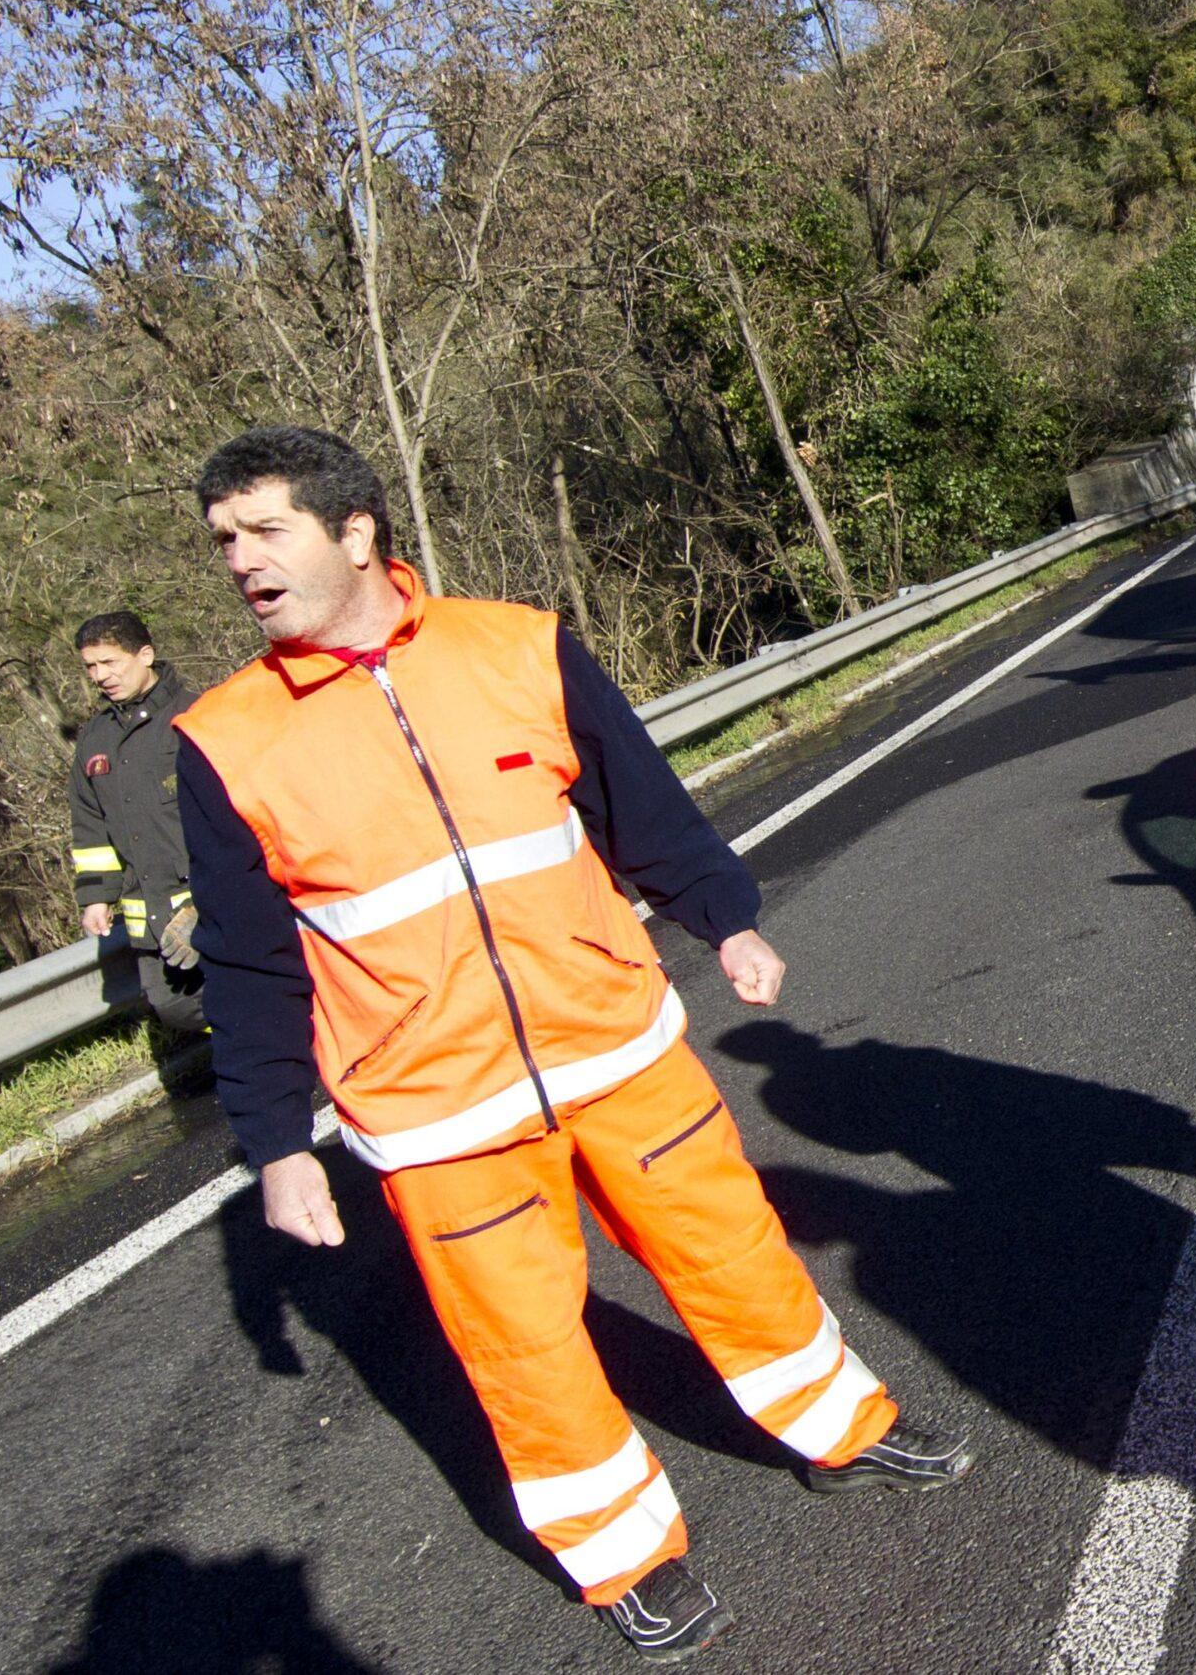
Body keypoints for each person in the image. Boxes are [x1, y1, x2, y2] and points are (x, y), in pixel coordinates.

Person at [173, 426, 972, 1664]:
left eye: (264, 529)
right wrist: (277, 1142)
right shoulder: (223, 739)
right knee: (525, 1340)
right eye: (223, 538)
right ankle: (622, 1554)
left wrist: (727, 920)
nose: (239, 559)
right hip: (437, 1110)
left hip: (616, 1041)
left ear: (355, 533)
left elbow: (636, 801)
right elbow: (248, 960)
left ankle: (841, 1426)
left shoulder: (517, 645)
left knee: (732, 1250)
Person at [69, 610, 205, 1035]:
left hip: (210, 898)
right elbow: (89, 823)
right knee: (175, 1008)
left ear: (145, 655)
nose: (100, 675)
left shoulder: (195, 714)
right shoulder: (94, 739)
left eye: (110, 662)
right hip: (151, 913)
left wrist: (214, 895)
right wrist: (96, 897)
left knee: (244, 988)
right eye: (91, 666)